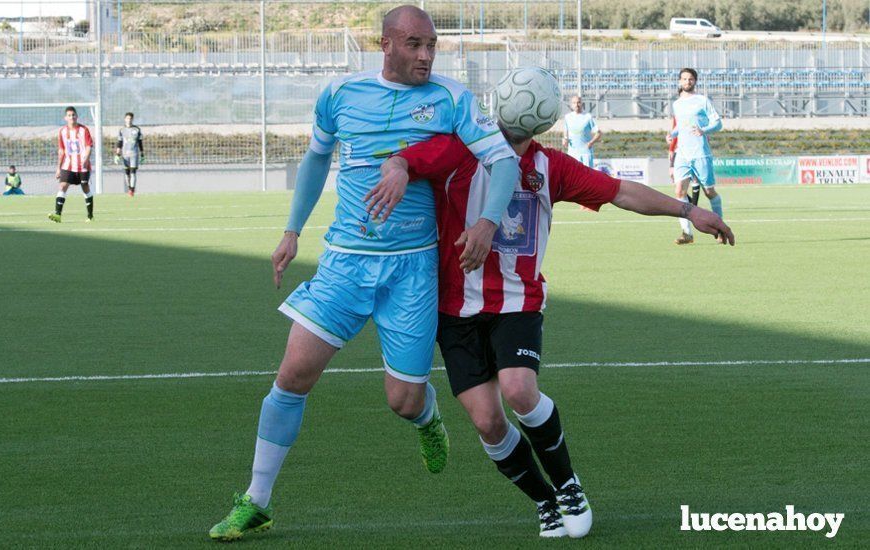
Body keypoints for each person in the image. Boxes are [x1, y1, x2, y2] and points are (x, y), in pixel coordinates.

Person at [208, 5, 520, 542]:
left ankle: (427, 420)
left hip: (413, 272)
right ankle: (256, 500)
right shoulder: (339, 95)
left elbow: (505, 160)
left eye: (432, 45)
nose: (426, 56)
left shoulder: (450, 99)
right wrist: (291, 230)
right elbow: (314, 161)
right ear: (386, 44)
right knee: (291, 377)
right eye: (415, 45)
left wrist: (489, 222)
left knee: (403, 401)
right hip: (344, 264)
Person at [369, 118, 733, 539]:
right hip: (456, 309)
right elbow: (405, 160)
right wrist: (396, 167)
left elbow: (621, 192)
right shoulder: (458, 151)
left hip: (518, 303)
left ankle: (567, 484)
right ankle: (545, 501)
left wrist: (690, 210)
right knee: (488, 422)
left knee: (520, 389)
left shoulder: (551, 166)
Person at [666, 68, 724, 245]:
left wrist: (703, 130)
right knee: (679, 192)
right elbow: (682, 126)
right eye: (684, 79)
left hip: (700, 153)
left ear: (695, 81)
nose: (687, 82)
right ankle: (687, 233)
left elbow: (718, 123)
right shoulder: (676, 104)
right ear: (679, 82)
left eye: (690, 79)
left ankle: (721, 229)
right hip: (682, 154)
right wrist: (672, 134)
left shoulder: (702, 100)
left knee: (709, 192)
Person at [48, 106, 94, 223]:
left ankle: (90, 216)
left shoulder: (84, 130)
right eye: (69, 115)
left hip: (83, 166)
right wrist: (58, 168)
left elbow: (89, 146)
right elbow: (61, 150)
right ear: (65, 118)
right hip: (68, 165)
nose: (71, 117)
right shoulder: (62, 132)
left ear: (76, 116)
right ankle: (58, 214)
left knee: (85, 188)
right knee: (62, 186)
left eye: (73, 115)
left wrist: (86, 159)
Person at [562, 95, 601, 168]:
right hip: (572, 154)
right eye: (574, 103)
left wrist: (590, 143)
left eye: (578, 102)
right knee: (572, 177)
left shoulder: (588, 116)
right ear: (571, 105)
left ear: (582, 103)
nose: (576, 105)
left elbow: (599, 133)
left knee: (587, 177)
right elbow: (566, 131)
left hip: (585, 154)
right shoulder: (567, 117)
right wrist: (565, 139)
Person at [115, 112, 144, 197]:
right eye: (127, 118)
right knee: (127, 173)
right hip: (125, 155)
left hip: (134, 154)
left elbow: (140, 142)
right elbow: (119, 143)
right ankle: (129, 187)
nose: (129, 120)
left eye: (130, 118)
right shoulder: (121, 130)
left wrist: (142, 154)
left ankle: (132, 189)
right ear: (125, 119)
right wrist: (117, 154)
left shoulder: (137, 129)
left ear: (132, 119)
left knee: (133, 172)